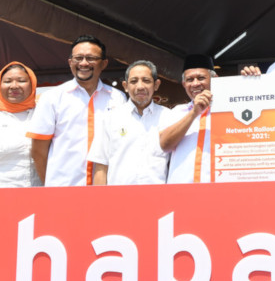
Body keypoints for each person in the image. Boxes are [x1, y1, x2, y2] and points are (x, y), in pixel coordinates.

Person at [27, 35, 127, 186]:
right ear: (70, 62)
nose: (84, 63)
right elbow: (38, 151)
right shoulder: (52, 97)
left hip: (106, 188)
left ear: (104, 63)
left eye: (91, 58)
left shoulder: (117, 98)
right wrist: (51, 186)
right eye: (78, 58)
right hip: (64, 189)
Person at [89, 60, 170, 185]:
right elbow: (101, 166)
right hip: (118, 195)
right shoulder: (110, 118)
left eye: (146, 80)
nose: (140, 86)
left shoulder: (169, 117)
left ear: (156, 85)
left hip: (158, 195)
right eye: (134, 81)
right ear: (125, 86)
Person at [160, 54, 215, 183]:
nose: (195, 84)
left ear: (214, 79)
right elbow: (165, 145)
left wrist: (252, 80)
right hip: (181, 189)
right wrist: (194, 113)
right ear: (184, 84)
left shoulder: (226, 110)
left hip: (218, 189)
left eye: (201, 78)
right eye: (190, 80)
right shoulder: (176, 112)